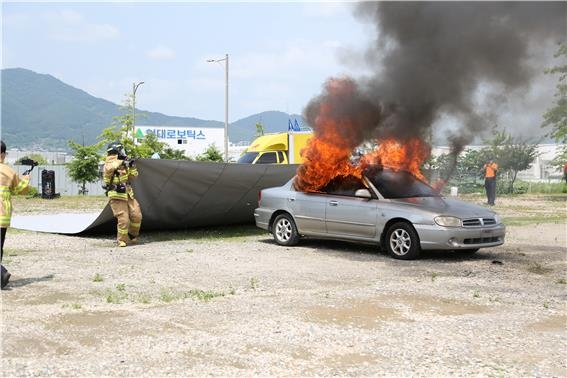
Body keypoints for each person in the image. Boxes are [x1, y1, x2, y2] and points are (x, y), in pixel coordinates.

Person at [1, 140, 30, 289]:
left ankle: (1, 275)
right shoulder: (8, 171)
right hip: (3, 216)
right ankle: (1, 275)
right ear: (3, 154)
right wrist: (26, 179)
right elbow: (21, 190)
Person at [103, 141, 142, 247]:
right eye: (121, 150)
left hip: (128, 193)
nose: (123, 153)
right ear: (116, 151)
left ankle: (132, 235)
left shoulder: (123, 163)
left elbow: (133, 177)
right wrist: (122, 161)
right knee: (123, 218)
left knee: (137, 215)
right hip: (116, 195)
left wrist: (132, 166)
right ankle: (121, 240)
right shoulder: (109, 163)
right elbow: (110, 168)